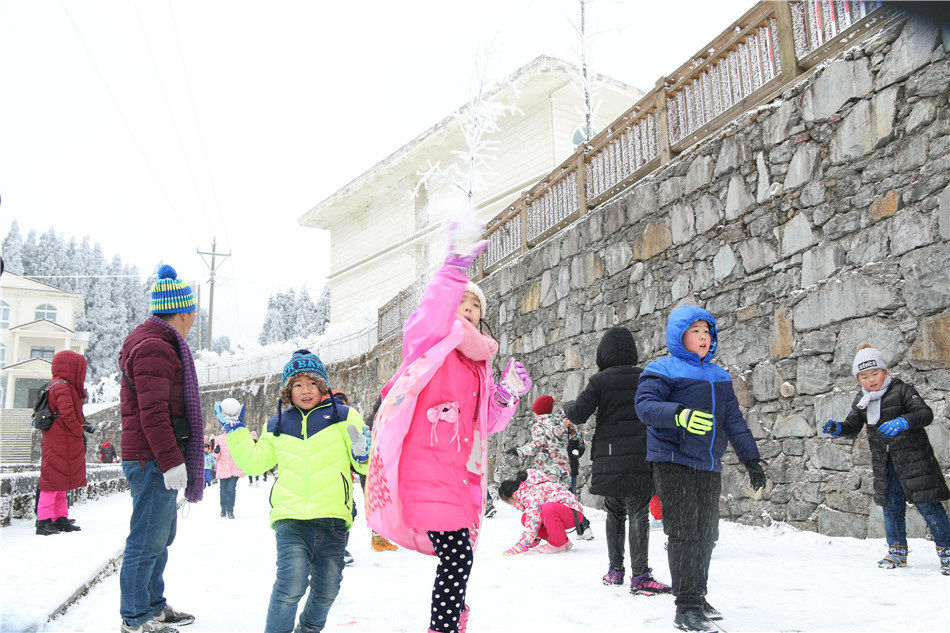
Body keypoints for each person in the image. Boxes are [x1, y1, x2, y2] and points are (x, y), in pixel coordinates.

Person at [365, 224, 531, 633]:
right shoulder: (430, 339)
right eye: (462, 300)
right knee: (457, 556)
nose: (468, 308)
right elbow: (430, 313)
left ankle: (452, 618)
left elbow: (484, 423)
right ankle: (444, 625)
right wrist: (453, 270)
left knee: (459, 556)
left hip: (458, 476)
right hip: (422, 469)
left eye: (475, 304)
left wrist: (506, 394)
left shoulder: (479, 364)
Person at [635, 305, 766, 632]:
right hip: (672, 459)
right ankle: (686, 606)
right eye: (695, 331)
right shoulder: (662, 369)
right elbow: (645, 407)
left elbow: (733, 420)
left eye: (707, 331)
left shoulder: (719, 376)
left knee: (707, 533)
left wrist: (751, 459)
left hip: (708, 463)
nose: (703, 337)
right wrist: (680, 415)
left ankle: (698, 595)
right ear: (679, 336)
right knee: (683, 531)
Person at [221, 350, 370, 633]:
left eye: (312, 383)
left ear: (323, 386)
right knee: (290, 585)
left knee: (327, 590)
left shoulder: (345, 416)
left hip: (333, 517)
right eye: (298, 384)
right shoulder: (276, 424)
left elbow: (365, 466)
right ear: (288, 390)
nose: (306, 390)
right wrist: (236, 430)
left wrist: (363, 454)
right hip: (290, 518)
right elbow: (255, 463)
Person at [118, 264, 202, 633]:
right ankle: (135, 620)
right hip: (151, 458)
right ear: (182, 313)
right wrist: (170, 461)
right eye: (192, 314)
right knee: (146, 541)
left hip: (153, 456)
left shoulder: (156, 342)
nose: (193, 322)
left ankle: (152, 606)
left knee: (159, 538)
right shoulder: (155, 347)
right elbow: (153, 411)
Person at [823, 344, 950, 575]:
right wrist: (838, 428)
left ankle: (947, 552)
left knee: (929, 506)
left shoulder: (902, 390)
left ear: (885, 371)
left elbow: (925, 413)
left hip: (916, 462)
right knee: (891, 507)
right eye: (864, 376)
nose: (871, 380)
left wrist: (904, 421)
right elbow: (853, 425)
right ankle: (897, 552)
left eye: (875, 373)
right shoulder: (862, 399)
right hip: (886, 463)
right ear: (858, 379)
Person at [565, 326, 670, 595]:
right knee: (638, 513)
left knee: (614, 513)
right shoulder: (645, 376)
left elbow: (578, 414)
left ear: (603, 353)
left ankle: (615, 570)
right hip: (640, 455)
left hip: (609, 457)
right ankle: (641, 575)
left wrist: (567, 405)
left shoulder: (600, 381)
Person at [36, 350, 89, 536]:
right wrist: (78, 430)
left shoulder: (57, 384)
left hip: (59, 441)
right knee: (51, 483)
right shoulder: (62, 387)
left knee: (59, 483)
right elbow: (67, 414)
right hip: (60, 441)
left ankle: (60, 518)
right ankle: (44, 521)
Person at [498, 469, 586, 555]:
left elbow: (533, 519)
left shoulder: (531, 493)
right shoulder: (527, 491)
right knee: (525, 518)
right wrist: (533, 538)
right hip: (560, 514)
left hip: (573, 514)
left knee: (547, 509)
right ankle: (563, 541)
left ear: (513, 495)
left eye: (510, 503)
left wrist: (522, 545)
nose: (514, 506)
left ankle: (557, 543)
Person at [364, 394, 398, 552]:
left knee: (378, 502)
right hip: (375, 469)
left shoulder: (374, 418)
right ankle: (378, 538)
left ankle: (379, 537)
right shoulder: (381, 420)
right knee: (379, 502)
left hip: (371, 468)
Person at [213, 429, 244, 519]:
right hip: (223, 468)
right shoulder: (219, 439)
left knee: (231, 489)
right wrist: (217, 451)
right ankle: (223, 508)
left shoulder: (238, 438)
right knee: (223, 490)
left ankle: (230, 510)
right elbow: (216, 455)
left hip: (235, 468)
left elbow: (242, 452)